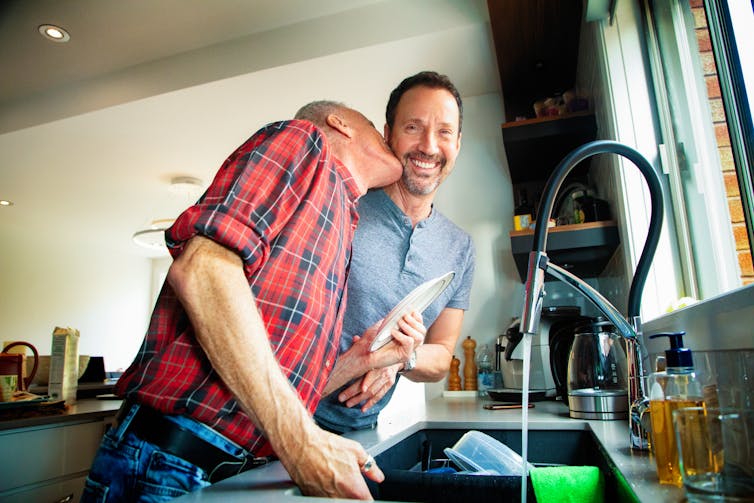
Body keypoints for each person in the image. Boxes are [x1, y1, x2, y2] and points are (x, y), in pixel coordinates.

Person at [81, 100, 427, 502]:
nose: (388, 140)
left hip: (232, 469)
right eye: (372, 125)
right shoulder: (306, 142)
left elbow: (283, 382)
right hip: (171, 463)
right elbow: (202, 272)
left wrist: (364, 357)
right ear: (340, 124)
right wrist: (304, 445)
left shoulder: (345, 215)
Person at [314, 71, 476, 433]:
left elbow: (442, 352)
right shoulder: (343, 202)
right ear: (388, 134)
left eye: (444, 132)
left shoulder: (460, 248)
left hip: (361, 433)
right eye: (414, 127)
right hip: (276, 425)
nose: (430, 146)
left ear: (458, 144)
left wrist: (401, 360)